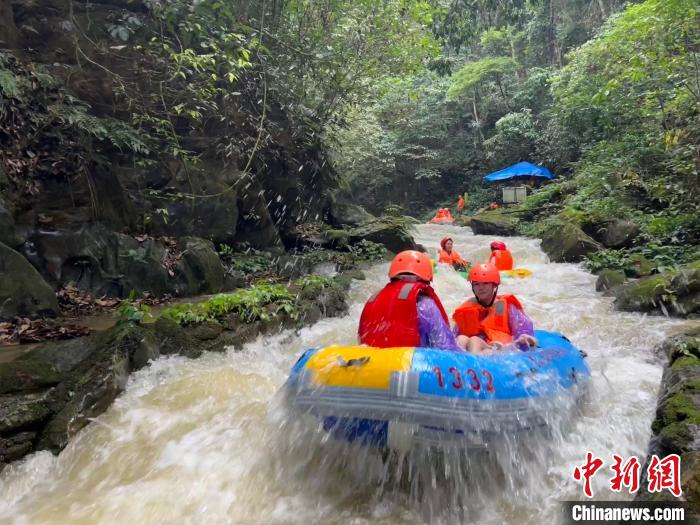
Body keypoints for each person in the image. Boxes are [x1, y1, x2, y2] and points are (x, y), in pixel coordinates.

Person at [358, 250, 461, 351]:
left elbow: (361, 338)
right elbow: (445, 347)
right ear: (427, 277)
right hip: (411, 363)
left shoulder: (374, 298)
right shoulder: (425, 304)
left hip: (371, 361)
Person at [452, 263, 537, 354]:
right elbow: (455, 334)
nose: (480, 288)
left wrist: (525, 339)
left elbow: (526, 335)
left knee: (474, 341)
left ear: (494, 285)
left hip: (500, 347)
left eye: (485, 283)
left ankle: (474, 365)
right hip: (477, 348)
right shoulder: (467, 309)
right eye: (476, 284)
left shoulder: (508, 306)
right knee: (461, 339)